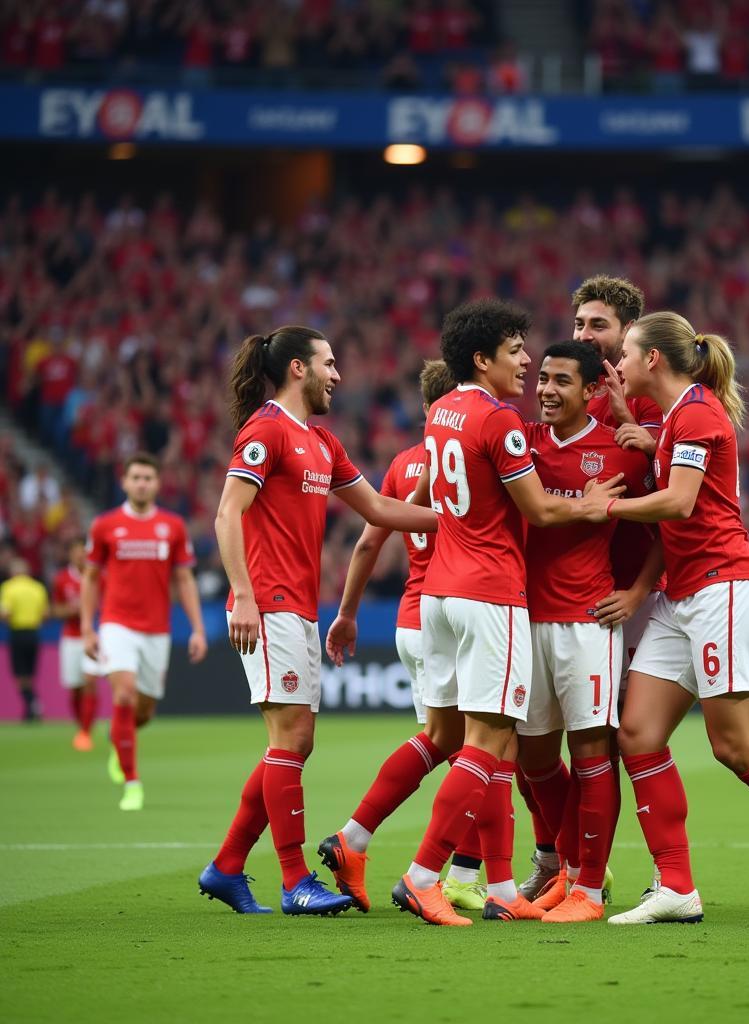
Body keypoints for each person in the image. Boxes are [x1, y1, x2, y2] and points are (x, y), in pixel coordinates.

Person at [321, 299, 623, 927]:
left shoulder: (441, 414)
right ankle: (426, 875)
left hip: (438, 594)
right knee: (489, 746)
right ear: (483, 358)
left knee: (450, 738)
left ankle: (497, 882)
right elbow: (539, 510)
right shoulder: (499, 420)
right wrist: (590, 504)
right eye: (516, 350)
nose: (526, 361)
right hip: (490, 593)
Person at [580, 311, 749, 925]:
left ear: (653, 359)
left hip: (724, 588)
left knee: (733, 744)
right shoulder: (681, 417)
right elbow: (677, 470)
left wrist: (610, 506)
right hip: (684, 593)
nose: (617, 361)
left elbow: (678, 501)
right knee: (638, 734)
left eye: (624, 350)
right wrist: (639, 432)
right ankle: (676, 886)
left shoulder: (697, 412)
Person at [199, 325, 439, 917]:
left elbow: (379, 509)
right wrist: (244, 595)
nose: (338, 375)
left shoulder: (322, 442)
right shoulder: (266, 430)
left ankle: (228, 867)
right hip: (268, 605)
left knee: (292, 746)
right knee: (293, 741)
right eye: (329, 364)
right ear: (299, 369)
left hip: (300, 608)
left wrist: (459, 520)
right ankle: (293, 880)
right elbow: (228, 513)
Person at [316, 359, 488, 913]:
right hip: (463, 612)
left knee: (448, 741)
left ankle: (359, 839)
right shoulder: (482, 449)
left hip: (414, 618)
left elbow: (368, 544)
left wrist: (346, 613)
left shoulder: (406, 462)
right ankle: (457, 872)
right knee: (487, 746)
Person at [518, 273, 664, 902]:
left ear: (628, 336)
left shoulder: (640, 426)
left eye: (597, 326)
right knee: (532, 756)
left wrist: (636, 593)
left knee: (613, 743)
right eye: (579, 325)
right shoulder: (520, 440)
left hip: (608, 605)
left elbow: (675, 513)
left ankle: (595, 882)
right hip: (529, 613)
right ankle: (561, 862)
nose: (585, 336)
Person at [81, 453, 208, 811]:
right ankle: (132, 783)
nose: (141, 483)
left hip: (156, 629)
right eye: (135, 477)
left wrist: (198, 629)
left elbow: (184, 579)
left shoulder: (172, 526)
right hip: (116, 624)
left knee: (144, 711)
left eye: (147, 478)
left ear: (156, 483)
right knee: (123, 696)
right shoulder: (105, 526)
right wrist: (88, 628)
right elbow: (90, 579)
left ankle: (119, 740)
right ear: (124, 482)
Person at [51, 537, 103, 749]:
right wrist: (71, 610)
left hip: (93, 636)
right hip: (71, 638)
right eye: (77, 552)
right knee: (75, 688)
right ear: (70, 554)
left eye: (84, 551)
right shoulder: (62, 579)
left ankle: (85, 732)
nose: (81, 555)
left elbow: (108, 602)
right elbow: (56, 609)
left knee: (90, 681)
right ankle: (81, 725)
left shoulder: (100, 575)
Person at [0, 557, 49, 722]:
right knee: (30, 673)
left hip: (18, 633)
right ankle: (30, 709)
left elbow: (6, 613)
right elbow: (45, 614)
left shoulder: (8, 588)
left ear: (13, 572)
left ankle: (32, 703)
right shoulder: (38, 588)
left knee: (20, 676)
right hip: (34, 633)